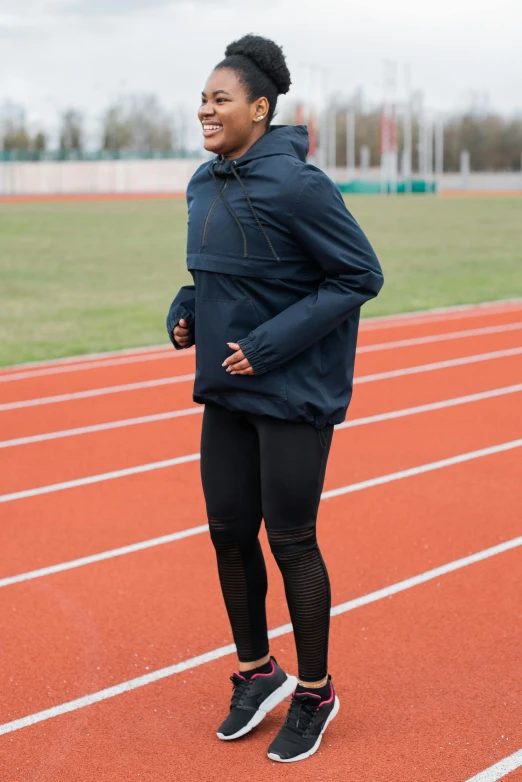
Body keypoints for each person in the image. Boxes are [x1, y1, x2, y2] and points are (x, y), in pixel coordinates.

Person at [166, 34, 383, 763]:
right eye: (202, 98)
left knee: (290, 541)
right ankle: (258, 673)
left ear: (260, 109)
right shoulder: (204, 182)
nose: (205, 109)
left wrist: (266, 346)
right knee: (228, 532)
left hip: (292, 390)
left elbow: (358, 276)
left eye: (220, 99)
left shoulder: (300, 185)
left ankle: (315, 692)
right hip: (226, 389)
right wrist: (188, 303)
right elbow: (223, 272)